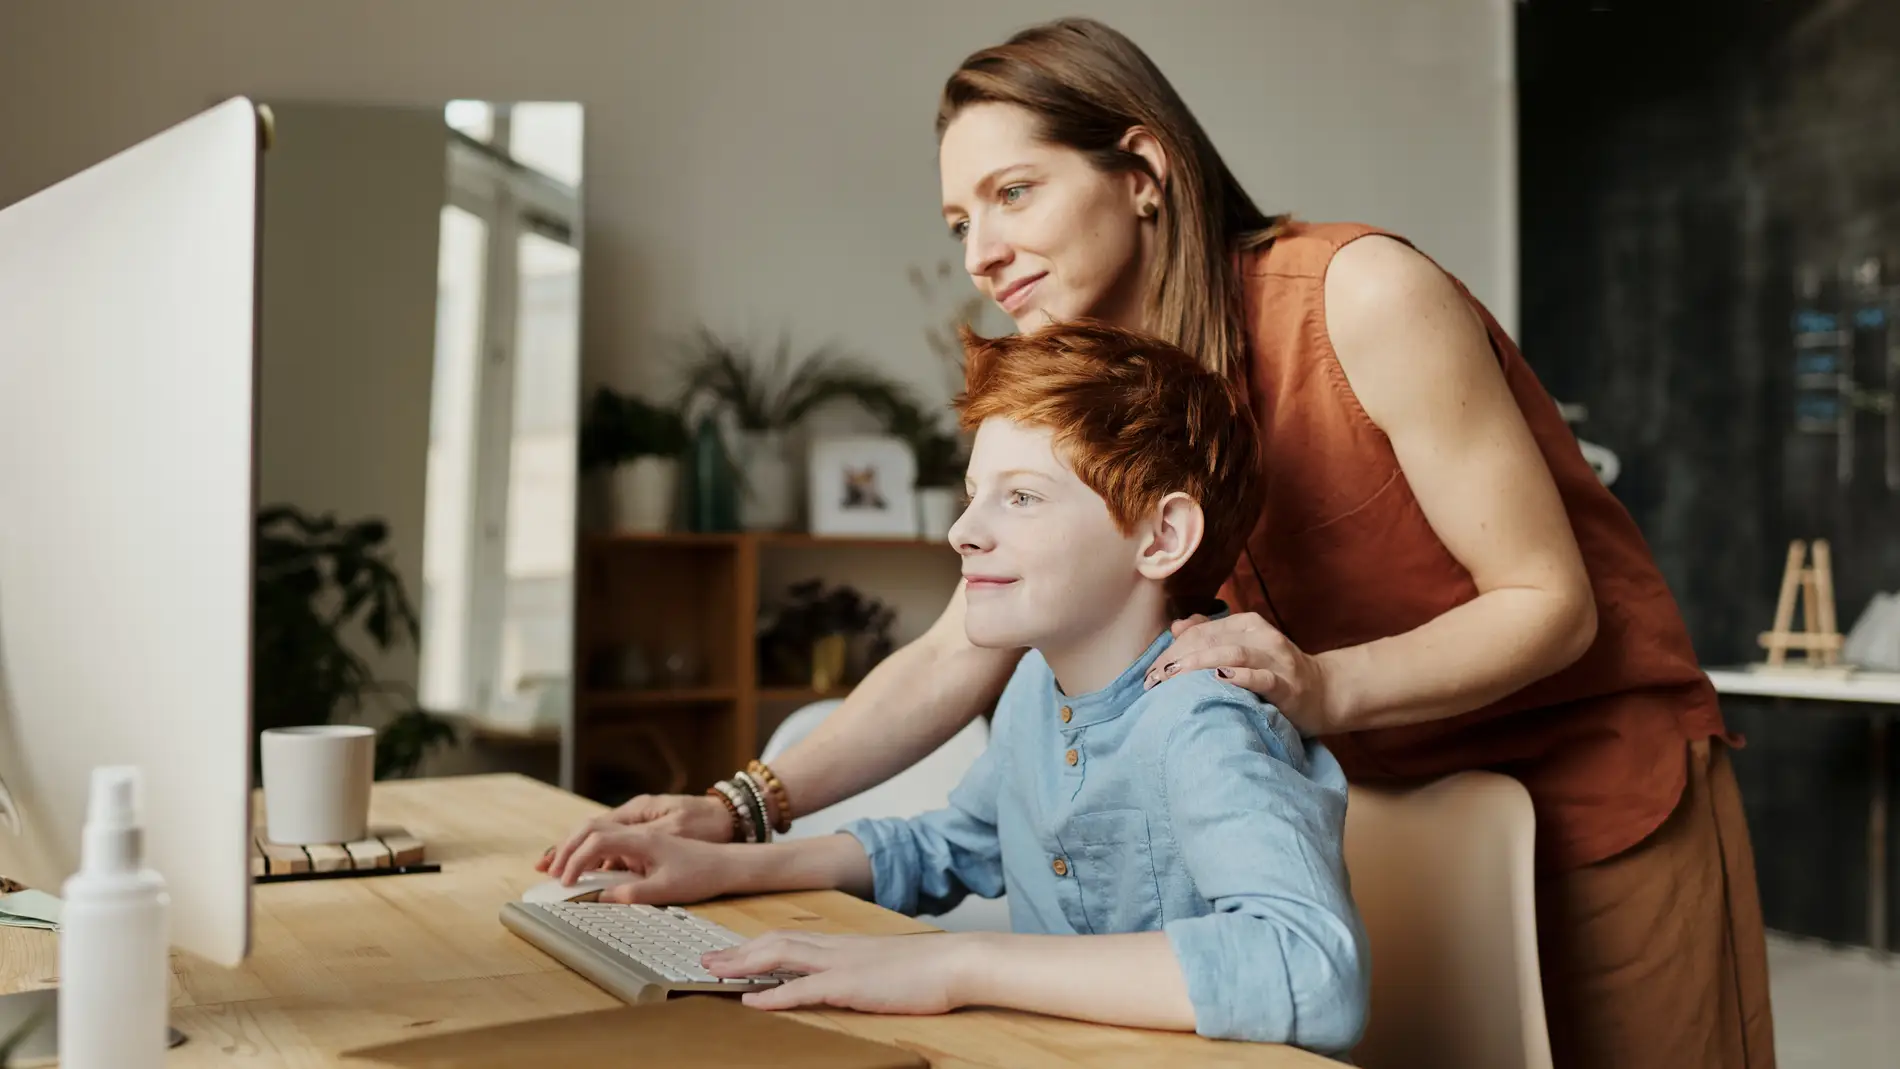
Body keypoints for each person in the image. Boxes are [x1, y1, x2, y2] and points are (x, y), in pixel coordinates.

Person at [550, 17, 1772, 1069]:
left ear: (1142, 167)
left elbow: (1547, 601)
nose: (978, 251)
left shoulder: (1358, 293)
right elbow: (956, 649)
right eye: (958, 217)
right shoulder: (1107, 390)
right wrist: (740, 807)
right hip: (1377, 805)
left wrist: (1321, 682)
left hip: (1598, 787)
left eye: (1013, 192)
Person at [545, 322, 1369, 1052]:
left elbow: (1312, 966)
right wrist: (720, 865)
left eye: (1020, 497)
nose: (963, 530)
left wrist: (957, 962)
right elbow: (953, 845)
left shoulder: (1205, 718)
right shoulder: (1033, 693)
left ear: (1161, 536)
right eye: (976, 494)